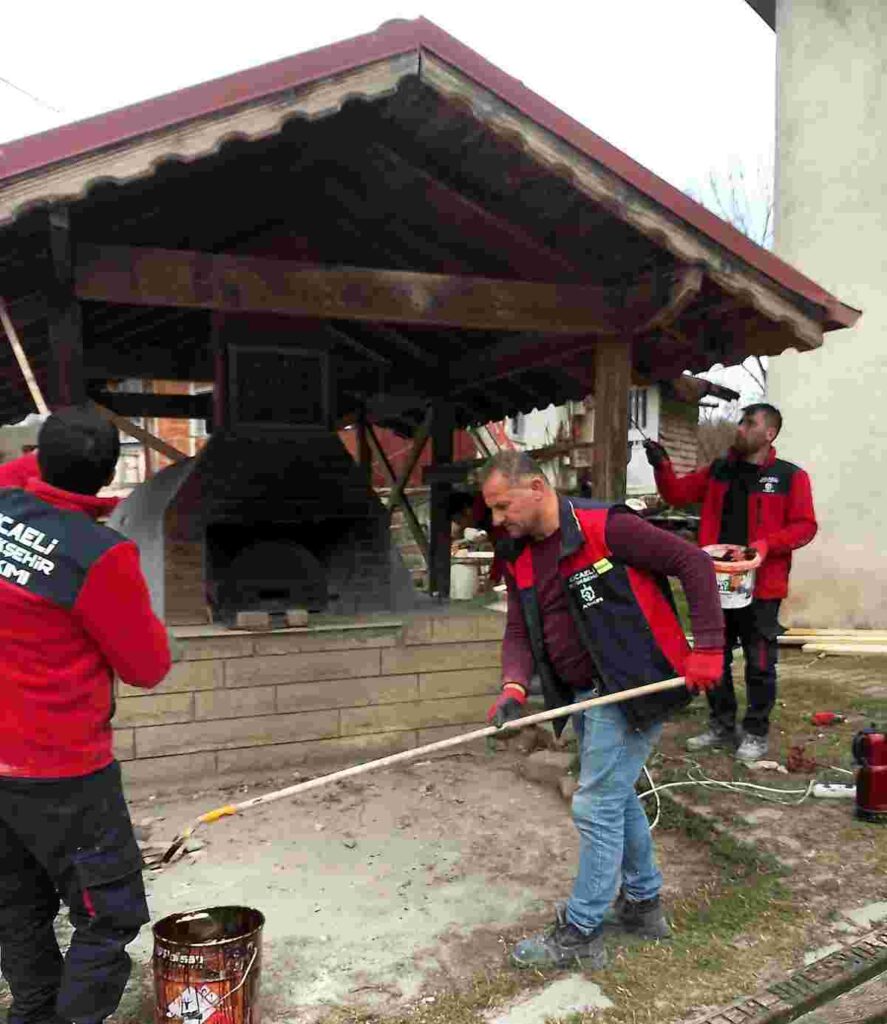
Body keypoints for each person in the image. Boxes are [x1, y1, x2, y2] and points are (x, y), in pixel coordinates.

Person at [481, 451, 724, 969]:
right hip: (584, 695)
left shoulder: (606, 526)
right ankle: (641, 904)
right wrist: (514, 688)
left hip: (634, 684)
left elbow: (694, 562)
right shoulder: (520, 555)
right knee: (615, 797)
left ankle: (581, 930)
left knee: (595, 804)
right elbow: (520, 630)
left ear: (538, 488)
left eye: (504, 506)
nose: (498, 520)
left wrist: (708, 647)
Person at [0, 406, 171, 1024]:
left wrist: (51, 453)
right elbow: (147, 667)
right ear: (104, 477)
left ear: (39, 459)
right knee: (111, 913)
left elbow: (17, 471)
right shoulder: (100, 556)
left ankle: (32, 1014)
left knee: (18, 906)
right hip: (64, 774)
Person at [644, 403, 817, 761]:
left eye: (748, 423)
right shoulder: (719, 470)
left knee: (759, 661)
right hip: (715, 583)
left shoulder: (790, 477)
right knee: (714, 658)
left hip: (762, 585)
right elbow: (677, 493)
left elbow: (805, 527)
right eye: (739, 421)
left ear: (769, 434)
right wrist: (661, 465)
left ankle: (755, 731)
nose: (739, 428)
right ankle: (721, 725)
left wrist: (766, 545)